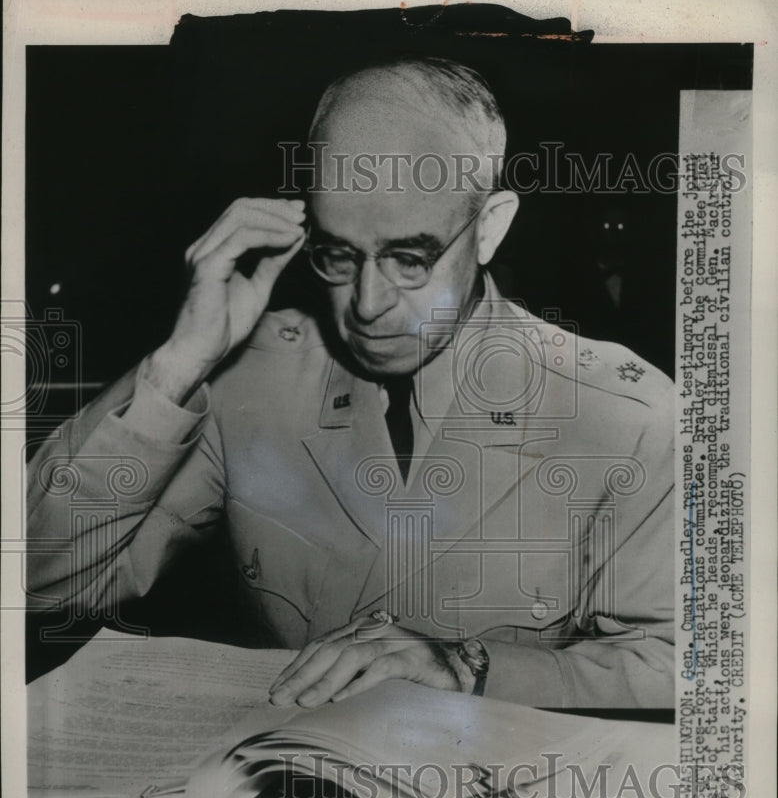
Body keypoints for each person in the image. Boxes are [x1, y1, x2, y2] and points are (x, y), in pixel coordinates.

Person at [27, 56, 674, 708]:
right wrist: (179, 363)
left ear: (489, 227)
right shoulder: (249, 378)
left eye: (409, 258)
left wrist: (473, 670)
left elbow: (679, 665)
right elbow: (41, 579)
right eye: (337, 254)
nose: (367, 304)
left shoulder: (628, 415)